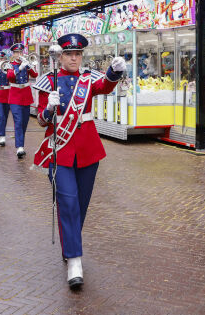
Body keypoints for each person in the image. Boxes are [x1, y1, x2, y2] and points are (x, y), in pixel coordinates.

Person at [33, 33, 125, 289]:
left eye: (78, 54)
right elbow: (41, 120)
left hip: (87, 149)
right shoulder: (47, 81)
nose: (74, 58)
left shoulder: (88, 79)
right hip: (59, 149)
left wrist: (114, 73)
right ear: (60, 56)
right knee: (68, 202)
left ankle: (69, 243)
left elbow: (104, 86)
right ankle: (75, 260)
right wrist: (49, 109)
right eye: (69, 54)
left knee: (80, 205)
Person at [7, 43, 38, 158]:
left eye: (20, 52)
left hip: (25, 95)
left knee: (24, 122)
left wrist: (29, 65)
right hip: (15, 95)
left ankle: (21, 144)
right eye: (16, 53)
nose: (19, 55)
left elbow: (35, 74)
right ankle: (19, 147)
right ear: (13, 54)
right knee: (18, 121)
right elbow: (10, 77)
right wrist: (19, 68)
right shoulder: (10, 65)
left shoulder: (26, 63)